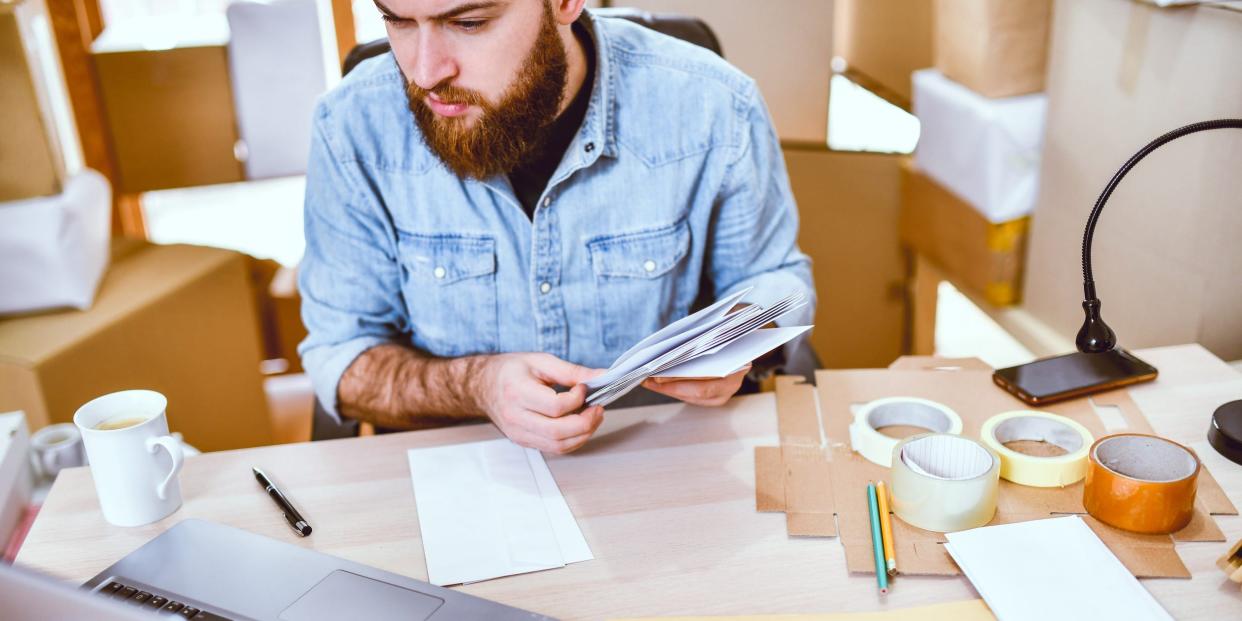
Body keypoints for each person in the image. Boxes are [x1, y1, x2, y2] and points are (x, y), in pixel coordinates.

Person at [299, 0, 815, 454]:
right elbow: (341, 358)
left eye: (470, 22)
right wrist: (476, 385)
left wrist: (739, 342)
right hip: (462, 477)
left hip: (657, 462)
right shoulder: (351, 127)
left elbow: (776, 283)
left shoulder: (713, 105)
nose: (425, 72)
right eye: (397, 21)